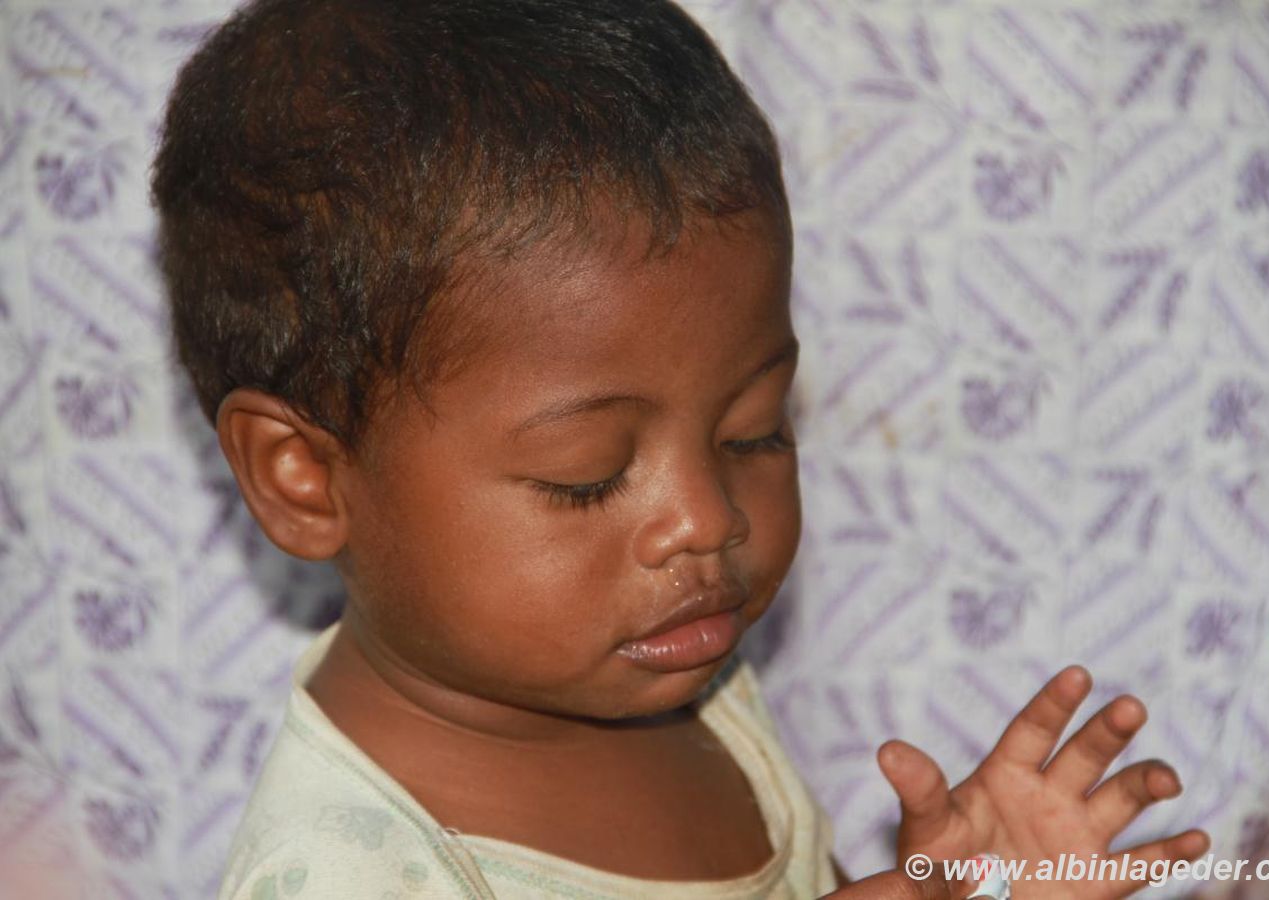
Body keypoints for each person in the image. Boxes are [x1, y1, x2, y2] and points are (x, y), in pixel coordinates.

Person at [151, 1, 1209, 896]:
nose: (708, 519)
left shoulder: (673, 674)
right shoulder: (351, 871)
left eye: (755, 430)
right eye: (587, 476)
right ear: (303, 476)